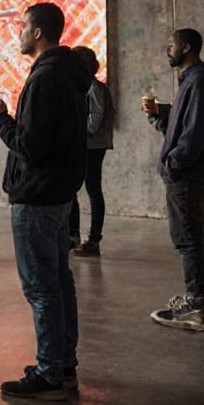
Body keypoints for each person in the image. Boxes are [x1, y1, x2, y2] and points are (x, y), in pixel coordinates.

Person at [0, 3, 88, 401]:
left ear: (39, 32)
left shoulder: (45, 79)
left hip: (38, 198)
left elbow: (30, 146)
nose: (19, 33)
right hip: (60, 196)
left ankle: (49, 376)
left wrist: (0, 117)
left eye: (23, 26)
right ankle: (64, 367)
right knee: (60, 283)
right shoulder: (69, 76)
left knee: (42, 288)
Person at [143, 28, 204, 331]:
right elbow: (186, 124)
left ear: (188, 47)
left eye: (172, 44)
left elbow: (194, 134)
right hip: (198, 172)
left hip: (188, 174)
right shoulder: (196, 82)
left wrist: (172, 166)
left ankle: (196, 306)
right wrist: (162, 114)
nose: (167, 48)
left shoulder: (199, 82)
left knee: (188, 238)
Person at [70, 47, 114, 257]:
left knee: (92, 190)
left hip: (92, 146)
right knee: (76, 188)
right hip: (88, 145)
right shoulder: (87, 87)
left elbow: (93, 123)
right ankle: (74, 235)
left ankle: (93, 238)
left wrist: (75, 131)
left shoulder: (95, 88)